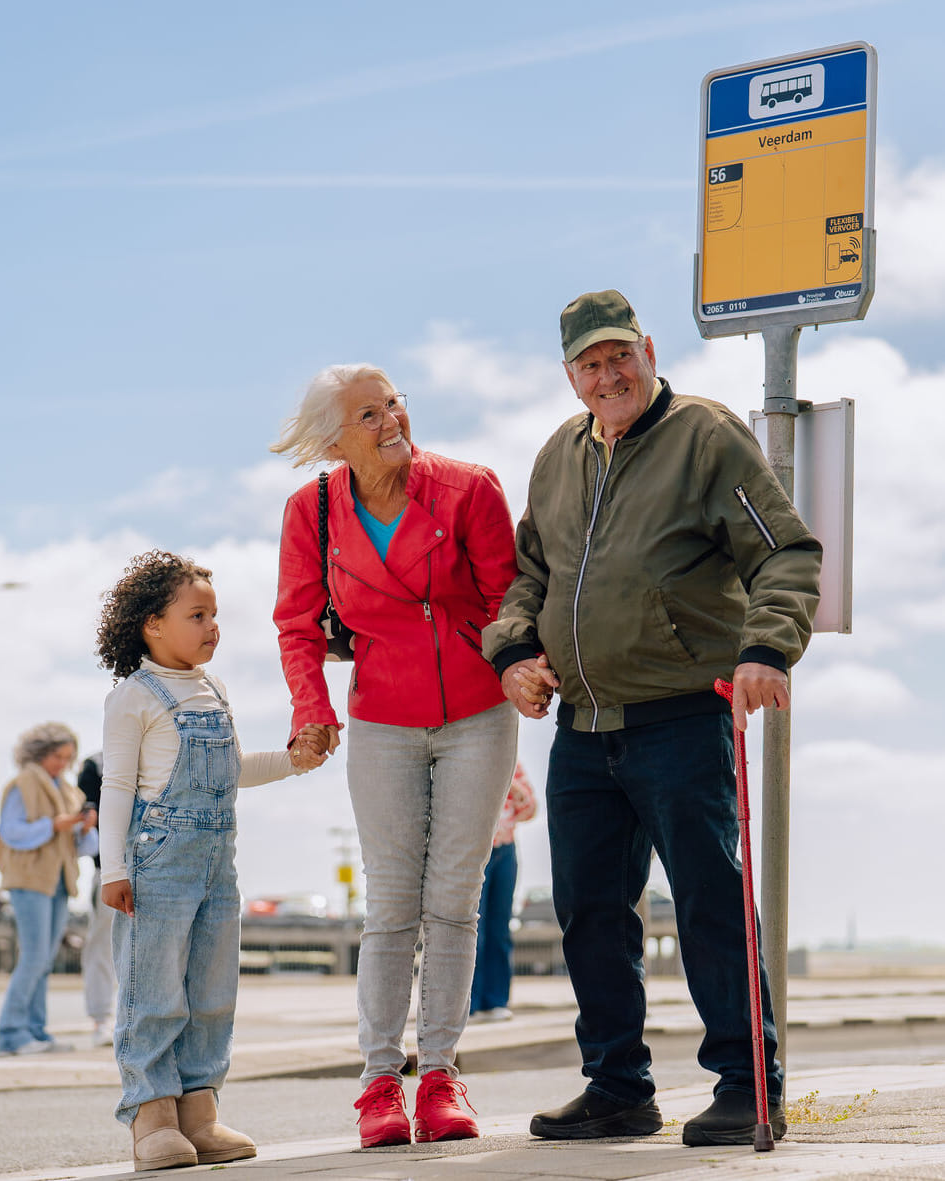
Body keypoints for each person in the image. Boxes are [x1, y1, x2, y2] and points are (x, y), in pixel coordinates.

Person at [482, 290, 822, 1148]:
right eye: (589, 365)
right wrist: (515, 651)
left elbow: (782, 549)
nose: (607, 376)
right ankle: (617, 1086)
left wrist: (765, 648)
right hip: (582, 727)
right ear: (569, 375)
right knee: (589, 909)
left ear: (647, 349)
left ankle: (748, 1085)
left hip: (681, 716)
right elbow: (529, 572)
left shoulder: (703, 436)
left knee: (709, 900)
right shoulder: (558, 456)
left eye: (618, 356)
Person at [272, 363, 519, 1148]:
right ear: (332, 440)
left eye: (394, 404)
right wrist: (311, 712)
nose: (390, 421)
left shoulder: (469, 488)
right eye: (369, 414)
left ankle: (442, 1076)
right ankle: (380, 1082)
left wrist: (524, 667)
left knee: (453, 897)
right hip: (380, 719)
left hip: (477, 714)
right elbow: (297, 626)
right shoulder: (309, 511)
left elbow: (508, 599)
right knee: (390, 904)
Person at [95, 549, 325, 1172]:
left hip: (217, 866)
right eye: (197, 615)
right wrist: (111, 868)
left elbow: (234, 774)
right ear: (153, 625)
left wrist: (294, 760)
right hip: (156, 864)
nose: (212, 627)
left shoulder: (214, 689)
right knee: (154, 991)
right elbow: (116, 787)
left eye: (215, 615)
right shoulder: (133, 697)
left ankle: (200, 1113)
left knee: (212, 990)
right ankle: (153, 1118)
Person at [0, 722, 98, 1055]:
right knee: (34, 957)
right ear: (40, 752)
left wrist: (83, 828)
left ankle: (35, 1033)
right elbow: (10, 831)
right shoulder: (22, 784)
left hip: (59, 880)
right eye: (57, 755)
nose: (62, 763)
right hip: (29, 880)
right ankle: (10, 1032)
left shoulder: (68, 790)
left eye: (67, 757)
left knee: (44, 959)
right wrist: (52, 825)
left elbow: (84, 846)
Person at [469, 762, 537, 1023]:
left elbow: (530, 810)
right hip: (476, 848)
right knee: (475, 929)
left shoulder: (514, 765)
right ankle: (470, 1003)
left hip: (505, 849)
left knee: (500, 928)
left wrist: (515, 787)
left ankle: (496, 1000)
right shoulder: (471, 755)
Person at [76, 751, 116, 1048]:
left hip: (155, 867)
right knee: (101, 946)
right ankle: (101, 1020)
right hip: (109, 869)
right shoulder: (94, 765)